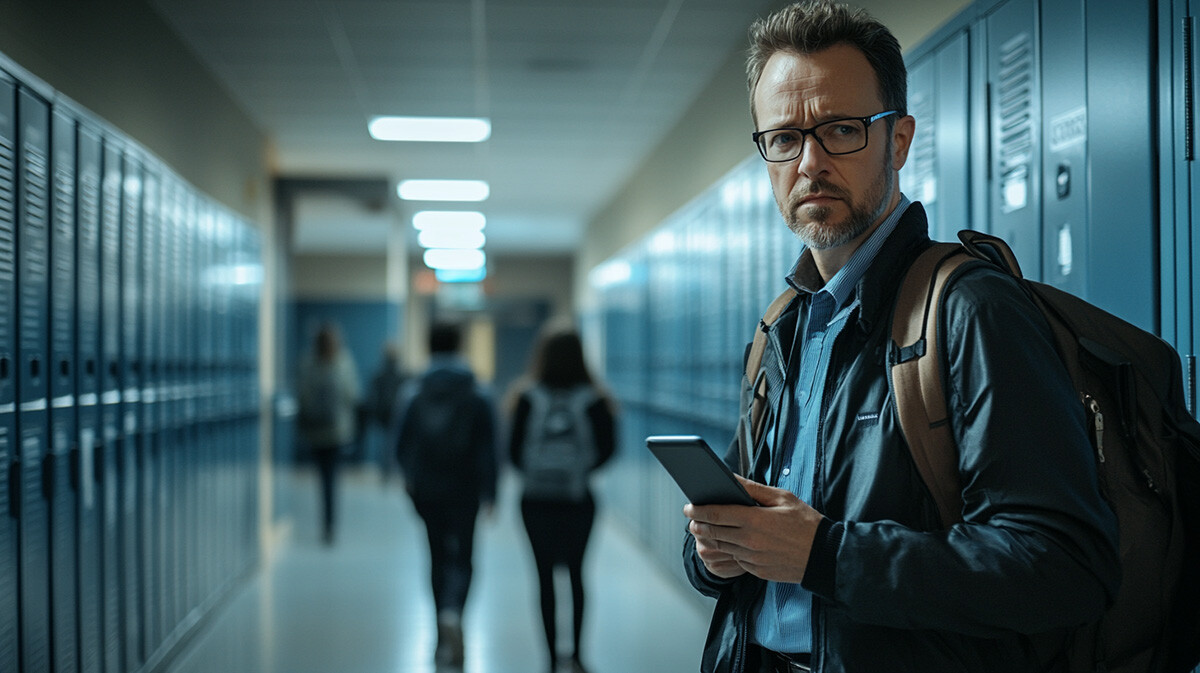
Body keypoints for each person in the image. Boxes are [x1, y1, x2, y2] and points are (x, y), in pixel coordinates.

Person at [681, 2, 1121, 672]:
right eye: (785, 138)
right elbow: (746, 523)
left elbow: (1064, 565)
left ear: (901, 139)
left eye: (842, 129)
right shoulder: (785, 326)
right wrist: (714, 551)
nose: (811, 162)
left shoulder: (970, 310)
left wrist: (825, 554)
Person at [507, 324, 616, 673]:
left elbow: (512, 453)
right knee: (577, 576)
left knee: (543, 579)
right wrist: (579, 469)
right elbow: (608, 449)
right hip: (577, 500)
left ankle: (551, 659)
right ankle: (579, 656)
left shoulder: (526, 397)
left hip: (534, 501)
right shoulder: (595, 398)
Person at [394, 321, 498, 669]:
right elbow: (489, 446)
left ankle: (441, 626)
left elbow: (401, 443)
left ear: (429, 347)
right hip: (466, 488)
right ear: (459, 346)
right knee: (464, 558)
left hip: (427, 488)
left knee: (436, 556)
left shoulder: (414, 391)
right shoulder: (477, 391)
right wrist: (492, 492)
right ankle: (455, 613)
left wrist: (409, 479)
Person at [296, 321, 360, 545]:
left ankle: (326, 523)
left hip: (316, 432)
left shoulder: (307, 363)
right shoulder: (344, 362)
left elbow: (302, 397)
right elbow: (352, 395)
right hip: (338, 432)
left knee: (322, 479)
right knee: (332, 480)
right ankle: (330, 525)